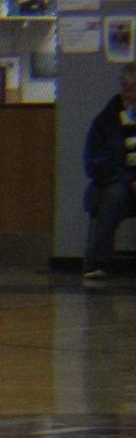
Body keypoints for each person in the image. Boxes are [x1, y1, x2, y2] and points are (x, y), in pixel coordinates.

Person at [82, 62, 136, 285]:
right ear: (126, 90)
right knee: (112, 196)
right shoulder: (105, 121)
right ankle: (100, 262)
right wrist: (128, 180)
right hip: (119, 184)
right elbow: (95, 163)